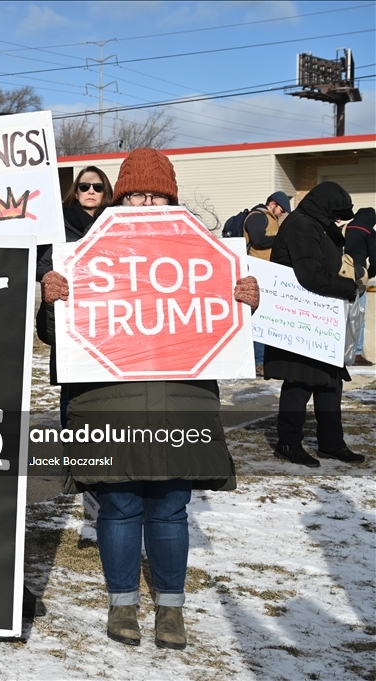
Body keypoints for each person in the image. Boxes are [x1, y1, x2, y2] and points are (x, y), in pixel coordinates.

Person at [40, 148, 260, 651]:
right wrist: (53, 302)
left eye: (156, 195)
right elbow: (55, 335)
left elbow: (222, 325)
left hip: (181, 398)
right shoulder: (85, 249)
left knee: (170, 505)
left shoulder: (202, 252)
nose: (145, 202)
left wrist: (247, 300)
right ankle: (122, 603)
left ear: (172, 199)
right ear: (119, 198)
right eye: (135, 193)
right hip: (107, 398)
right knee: (118, 502)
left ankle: (171, 608)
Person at [265, 182, 365, 466]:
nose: (340, 220)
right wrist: (349, 288)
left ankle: (331, 444)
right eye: (338, 215)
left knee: (330, 382)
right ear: (325, 208)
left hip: (320, 315)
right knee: (300, 381)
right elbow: (309, 274)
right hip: (299, 317)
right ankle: (288, 443)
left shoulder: (318, 225)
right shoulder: (302, 225)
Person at [36, 166, 114, 423]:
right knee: (73, 402)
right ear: (76, 191)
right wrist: (58, 274)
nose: (91, 191)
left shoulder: (117, 223)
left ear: (105, 192)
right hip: (70, 320)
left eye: (97, 187)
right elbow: (40, 264)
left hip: (110, 321)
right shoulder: (57, 224)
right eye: (84, 186)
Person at [243, 191, 292, 374]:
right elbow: (258, 240)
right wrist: (281, 240)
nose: (282, 213)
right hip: (256, 272)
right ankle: (258, 362)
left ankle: (265, 361)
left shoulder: (273, 219)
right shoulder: (257, 216)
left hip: (269, 273)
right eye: (282, 209)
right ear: (273, 203)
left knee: (268, 318)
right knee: (259, 319)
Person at [344, 207, 375, 366]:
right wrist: (370, 273)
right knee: (358, 315)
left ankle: (337, 350)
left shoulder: (344, 228)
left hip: (339, 275)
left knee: (342, 314)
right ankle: (356, 353)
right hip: (357, 278)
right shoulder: (369, 232)